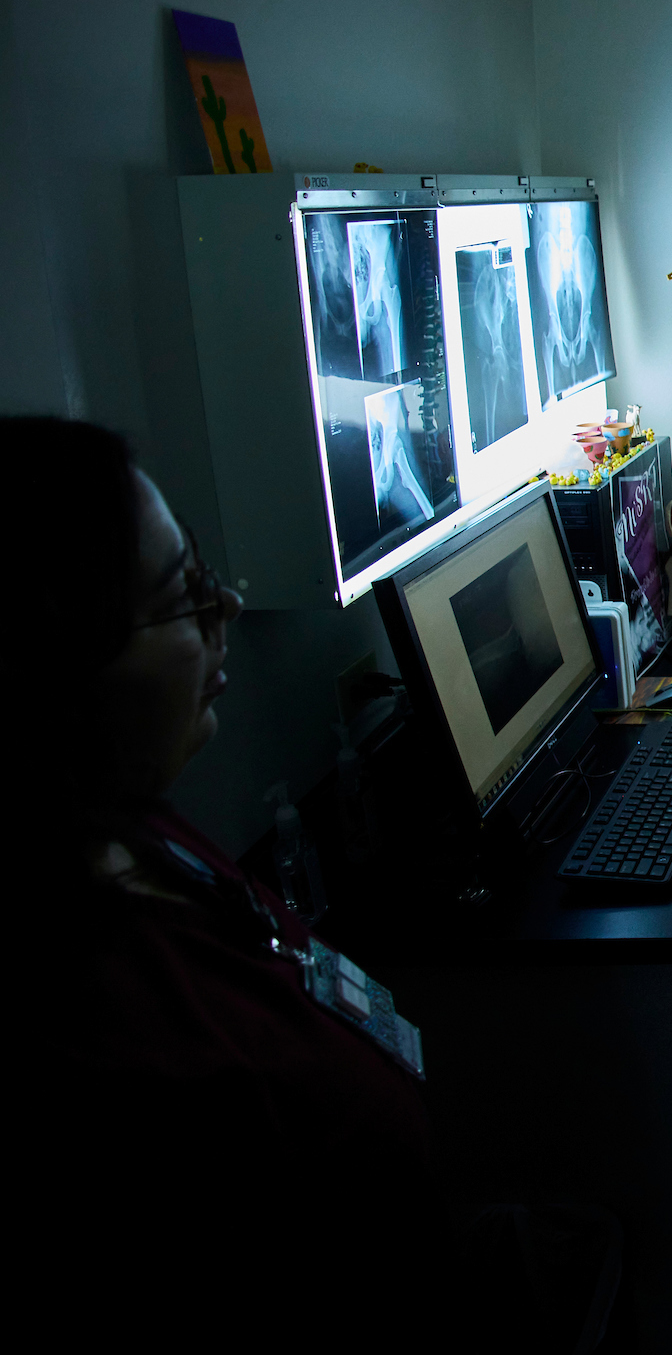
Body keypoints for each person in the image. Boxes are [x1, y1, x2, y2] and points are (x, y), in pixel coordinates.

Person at [16, 417, 450, 1348]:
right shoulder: (85, 1023)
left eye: (204, 571)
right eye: (182, 595)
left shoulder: (135, 831)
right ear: (58, 668)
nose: (226, 605)